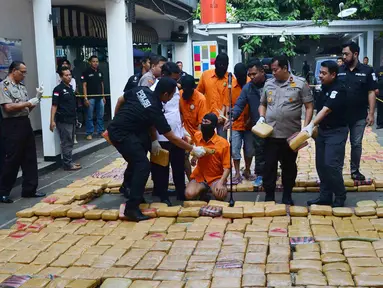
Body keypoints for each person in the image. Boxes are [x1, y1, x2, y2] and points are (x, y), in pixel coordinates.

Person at [108, 78, 206, 221]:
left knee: (139, 156)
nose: (173, 97)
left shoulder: (142, 90)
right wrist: (193, 149)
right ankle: (131, 208)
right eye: (172, 95)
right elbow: (171, 137)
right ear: (165, 94)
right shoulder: (155, 109)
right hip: (122, 134)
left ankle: (132, 191)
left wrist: (115, 119)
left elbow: (120, 100)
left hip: (130, 131)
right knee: (142, 165)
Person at [259, 55, 314, 205]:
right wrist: (261, 117)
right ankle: (269, 195)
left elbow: (309, 106)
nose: (273, 73)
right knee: (269, 167)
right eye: (272, 70)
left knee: (289, 167)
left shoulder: (300, 84)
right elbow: (262, 104)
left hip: (291, 136)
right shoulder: (269, 84)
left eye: (276, 69)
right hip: (270, 134)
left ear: (284, 68)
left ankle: (287, 195)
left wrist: (306, 127)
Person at [0, 61, 46, 203]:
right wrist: (27, 103)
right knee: (12, 158)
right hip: (11, 125)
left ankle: (29, 189)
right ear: (14, 71)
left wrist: (35, 100)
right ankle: (3, 192)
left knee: (30, 157)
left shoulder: (21, 87)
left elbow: (26, 110)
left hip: (24, 122)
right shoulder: (4, 86)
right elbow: (8, 107)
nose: (24, 75)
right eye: (22, 72)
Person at [306, 61, 348, 207]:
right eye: (320, 72)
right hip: (323, 131)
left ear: (333, 74)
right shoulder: (322, 88)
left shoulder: (339, 89)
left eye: (324, 73)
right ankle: (325, 195)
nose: (320, 76)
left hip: (336, 131)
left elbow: (326, 110)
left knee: (331, 165)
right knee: (321, 165)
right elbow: (318, 109)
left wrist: (311, 125)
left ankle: (340, 195)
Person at [339, 42, 377, 180]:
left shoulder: (367, 70)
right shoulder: (339, 70)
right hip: (341, 116)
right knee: (339, 143)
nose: (344, 56)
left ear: (355, 54)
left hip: (359, 116)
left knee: (356, 144)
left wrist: (371, 113)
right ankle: (337, 171)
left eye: (346, 54)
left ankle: (355, 171)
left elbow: (371, 92)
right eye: (343, 54)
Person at [150, 62, 185, 204]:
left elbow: (178, 110)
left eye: (177, 79)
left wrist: (183, 130)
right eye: (173, 78)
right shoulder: (153, 90)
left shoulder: (176, 89)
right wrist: (154, 140)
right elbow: (151, 119)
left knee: (179, 166)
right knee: (162, 169)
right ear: (164, 76)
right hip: (161, 136)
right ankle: (163, 195)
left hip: (177, 134)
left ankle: (181, 193)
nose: (176, 82)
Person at [230, 60, 267, 186]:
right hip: (258, 125)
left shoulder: (272, 83)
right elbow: (239, 104)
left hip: (275, 124)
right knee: (259, 151)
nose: (251, 77)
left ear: (262, 72)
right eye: (249, 74)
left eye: (254, 74)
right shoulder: (248, 87)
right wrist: (231, 117)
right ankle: (260, 175)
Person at [185, 113, 230, 201]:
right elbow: (197, 150)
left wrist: (221, 182)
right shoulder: (197, 136)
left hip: (216, 177)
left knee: (221, 194)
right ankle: (203, 190)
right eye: (203, 121)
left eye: (206, 122)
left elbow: (227, 167)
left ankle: (212, 189)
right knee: (189, 194)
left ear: (213, 126)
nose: (203, 124)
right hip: (200, 176)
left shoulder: (223, 143)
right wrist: (194, 157)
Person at [50, 67, 81, 171]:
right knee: (66, 141)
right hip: (63, 120)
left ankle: (69, 161)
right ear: (61, 77)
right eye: (66, 75)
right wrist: (52, 120)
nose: (68, 77)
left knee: (71, 141)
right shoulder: (58, 89)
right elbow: (54, 106)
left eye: (69, 75)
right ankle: (67, 164)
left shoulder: (70, 88)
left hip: (71, 119)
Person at [179, 75, 207, 181]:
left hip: (199, 131)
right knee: (184, 156)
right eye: (183, 90)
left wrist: (196, 150)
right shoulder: (180, 94)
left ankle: (203, 181)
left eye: (187, 91)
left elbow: (201, 125)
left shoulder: (201, 99)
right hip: (185, 130)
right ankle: (190, 179)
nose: (184, 93)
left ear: (193, 89)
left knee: (202, 156)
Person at [225, 63, 249, 184]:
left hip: (250, 123)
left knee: (249, 149)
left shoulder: (251, 84)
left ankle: (248, 170)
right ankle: (237, 173)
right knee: (234, 149)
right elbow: (228, 105)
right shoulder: (230, 87)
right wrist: (227, 119)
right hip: (235, 123)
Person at [197, 53, 229, 138]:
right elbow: (198, 94)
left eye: (224, 65)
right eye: (219, 64)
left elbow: (231, 99)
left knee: (222, 143)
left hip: (222, 118)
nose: (221, 67)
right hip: (207, 117)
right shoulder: (205, 75)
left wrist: (227, 117)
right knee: (206, 142)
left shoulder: (230, 78)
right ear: (215, 64)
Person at [82, 55, 105, 140]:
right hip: (90, 98)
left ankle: (101, 131)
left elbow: (102, 84)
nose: (95, 63)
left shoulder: (100, 72)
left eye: (97, 61)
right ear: (90, 62)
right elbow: (84, 85)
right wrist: (85, 98)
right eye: (93, 61)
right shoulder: (86, 72)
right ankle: (89, 133)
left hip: (100, 97)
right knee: (89, 116)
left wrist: (103, 96)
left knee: (100, 115)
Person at [376, 60, 383, 129]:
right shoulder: (379, 69)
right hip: (380, 92)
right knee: (380, 109)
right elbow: (375, 79)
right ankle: (380, 123)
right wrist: (376, 88)